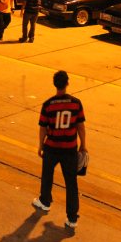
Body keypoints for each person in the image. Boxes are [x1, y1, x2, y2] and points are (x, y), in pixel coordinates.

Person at [32, 70, 87, 230]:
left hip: (52, 147)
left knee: (47, 176)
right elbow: (81, 127)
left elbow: (43, 128)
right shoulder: (76, 103)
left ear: (55, 84)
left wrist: (41, 145)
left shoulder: (48, 105)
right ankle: (72, 218)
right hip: (70, 149)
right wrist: (83, 145)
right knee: (71, 183)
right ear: (67, 83)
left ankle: (45, 201)